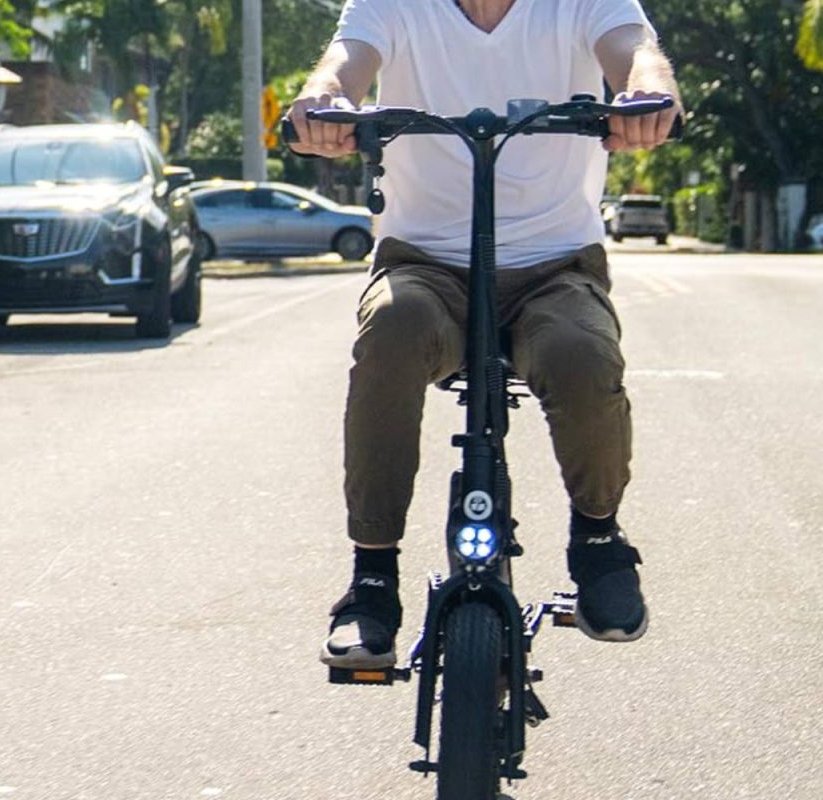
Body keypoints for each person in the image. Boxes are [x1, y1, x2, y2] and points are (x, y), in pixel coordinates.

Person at [287, 0, 680, 668]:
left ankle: (598, 539)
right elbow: (344, 65)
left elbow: (634, 51)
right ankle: (372, 578)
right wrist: (322, 99)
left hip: (553, 267)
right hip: (427, 263)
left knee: (580, 350)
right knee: (390, 327)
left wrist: (647, 91)